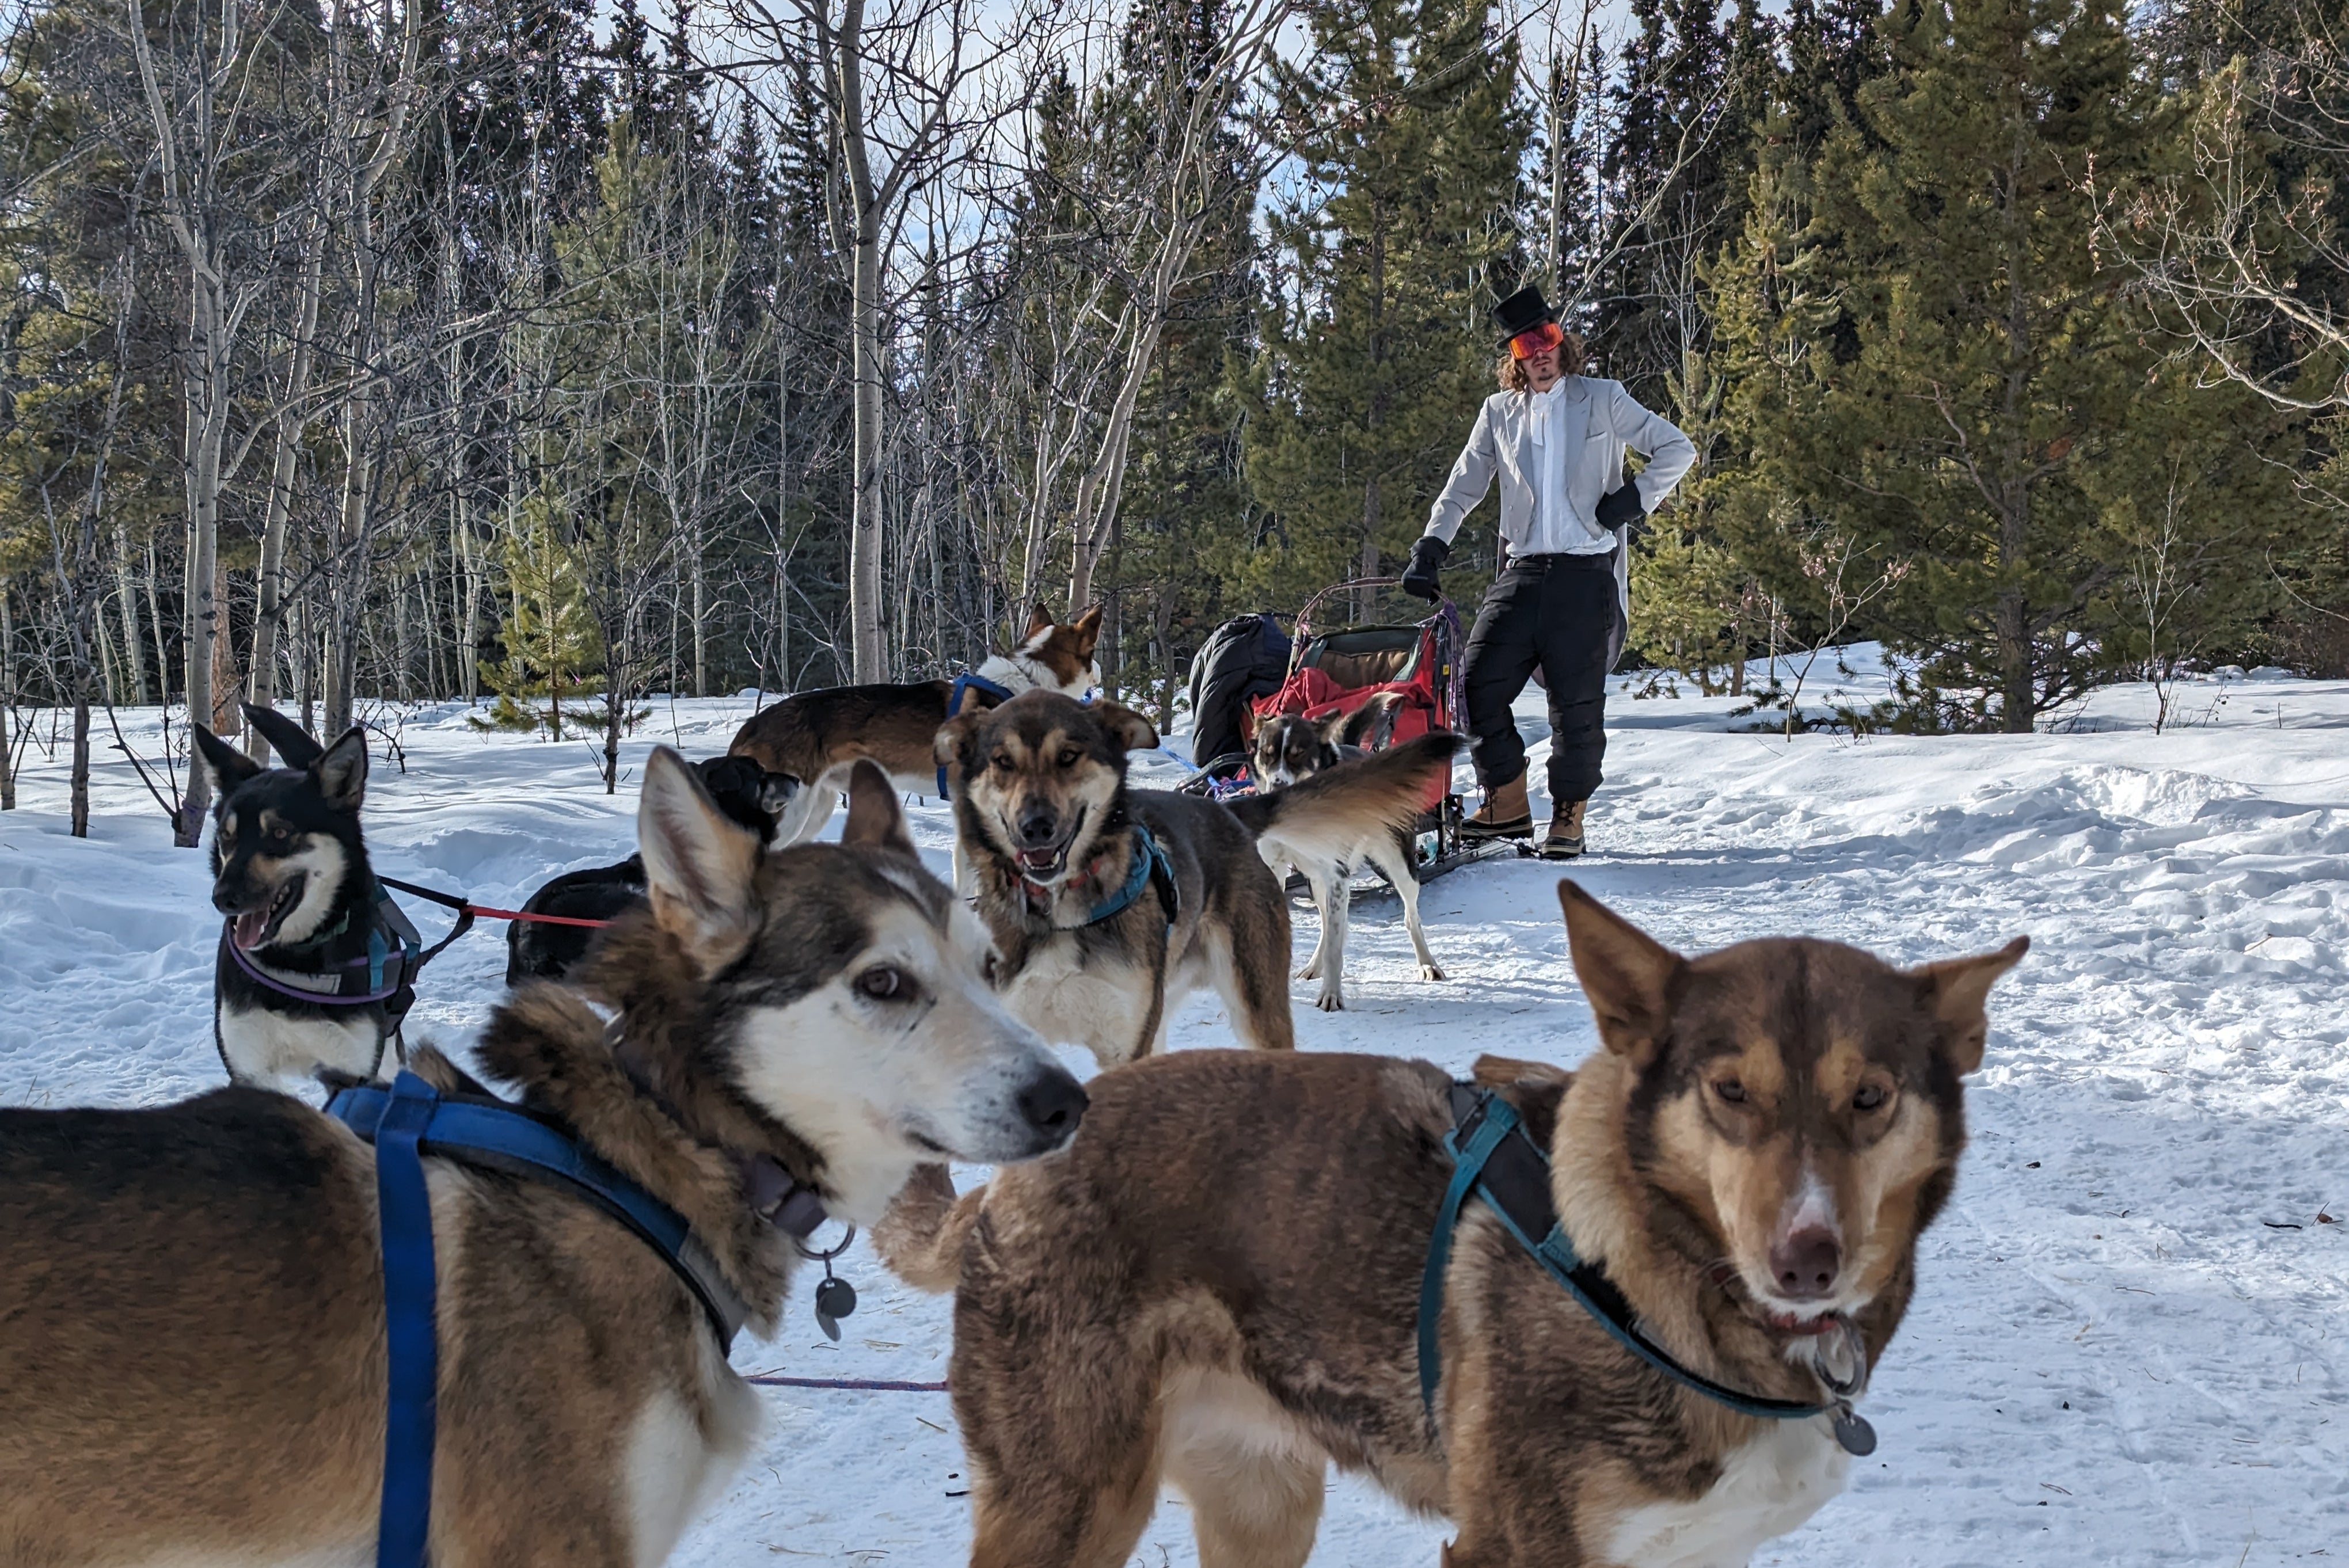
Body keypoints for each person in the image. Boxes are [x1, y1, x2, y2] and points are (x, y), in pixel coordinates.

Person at [1400, 285, 1694, 859]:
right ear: (1514, 354)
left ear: (1563, 342)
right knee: (1473, 684)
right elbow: (1465, 485)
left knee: (1576, 703)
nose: (1540, 352)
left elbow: (1677, 448)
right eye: (1527, 344)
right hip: (1525, 569)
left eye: (1548, 339)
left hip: (1587, 574)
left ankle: (1568, 817)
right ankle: (1507, 802)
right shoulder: (1498, 412)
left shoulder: (1603, 398)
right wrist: (1431, 546)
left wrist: (1633, 500)